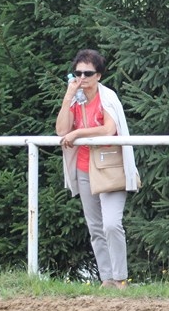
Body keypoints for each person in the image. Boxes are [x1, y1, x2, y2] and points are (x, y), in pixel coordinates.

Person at [55, 49, 139, 290]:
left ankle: (121, 278)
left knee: (112, 223)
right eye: (77, 73)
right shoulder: (75, 98)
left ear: (99, 75)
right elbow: (62, 131)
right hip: (84, 168)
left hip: (110, 166)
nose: (82, 78)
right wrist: (68, 96)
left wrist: (79, 132)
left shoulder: (107, 97)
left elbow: (109, 129)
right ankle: (107, 279)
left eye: (88, 73)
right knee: (95, 227)